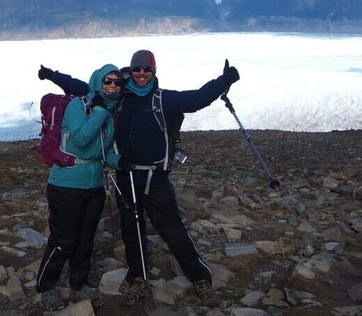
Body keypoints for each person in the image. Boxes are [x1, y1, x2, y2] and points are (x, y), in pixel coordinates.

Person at [37, 50, 240, 307]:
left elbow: (196, 99)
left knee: (172, 229)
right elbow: (82, 86)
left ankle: (199, 277)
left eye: (147, 69)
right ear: (130, 72)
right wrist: (53, 75)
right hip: (125, 175)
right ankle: (136, 278)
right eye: (137, 69)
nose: (141, 73)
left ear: (154, 71)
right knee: (132, 231)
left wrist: (223, 82)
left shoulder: (164, 99)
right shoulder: (118, 96)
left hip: (155, 177)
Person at [35, 64, 123, 311]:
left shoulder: (108, 111)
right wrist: (100, 111)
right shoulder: (79, 106)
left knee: (85, 240)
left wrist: (127, 162)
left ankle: (79, 284)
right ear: (98, 82)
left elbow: (104, 152)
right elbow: (82, 140)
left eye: (118, 83)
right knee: (64, 240)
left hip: (94, 185)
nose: (113, 86)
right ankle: (46, 286)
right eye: (108, 81)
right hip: (66, 185)